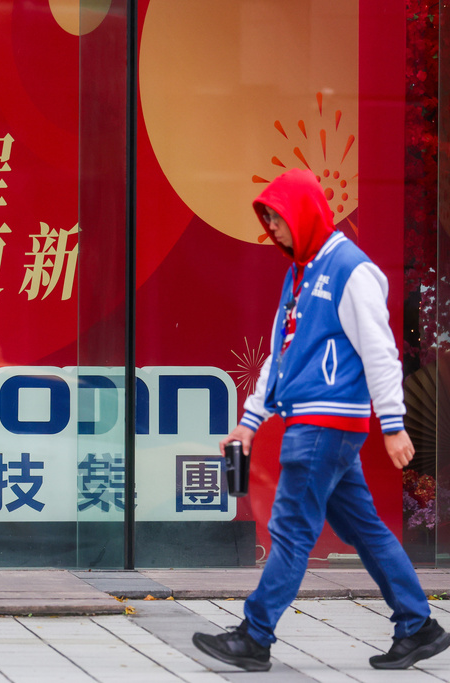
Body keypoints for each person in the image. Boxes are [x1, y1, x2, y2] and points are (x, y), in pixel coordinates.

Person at [191, 168, 450, 672]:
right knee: (366, 529)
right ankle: (418, 625)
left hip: (322, 426)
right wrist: (248, 424)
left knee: (289, 529)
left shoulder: (352, 270)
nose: (273, 230)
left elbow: (380, 352)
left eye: (278, 218)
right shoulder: (300, 273)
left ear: (305, 214)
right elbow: (279, 356)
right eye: (267, 219)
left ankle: (255, 635)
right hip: (314, 424)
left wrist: (394, 425)